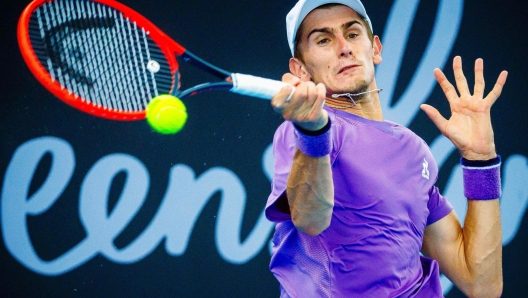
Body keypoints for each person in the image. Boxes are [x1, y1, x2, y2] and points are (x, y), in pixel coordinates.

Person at [265, 0, 508, 297]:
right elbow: (310, 220)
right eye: (324, 40)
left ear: (375, 49)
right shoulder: (304, 131)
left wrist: (480, 161)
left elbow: (482, 284)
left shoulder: (414, 151)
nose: (344, 47)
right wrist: (313, 132)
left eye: (353, 34)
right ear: (300, 70)